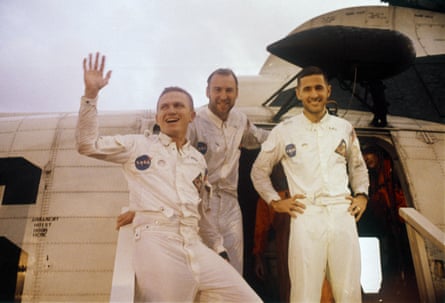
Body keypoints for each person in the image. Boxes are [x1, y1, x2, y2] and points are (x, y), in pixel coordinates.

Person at [76, 52, 262, 302]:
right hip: (157, 240)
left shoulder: (197, 160)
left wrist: (218, 249)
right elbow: (87, 144)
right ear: (157, 117)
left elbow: (202, 212)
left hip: (194, 244)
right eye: (164, 107)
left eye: (178, 106)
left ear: (192, 115)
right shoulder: (137, 146)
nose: (171, 110)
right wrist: (91, 96)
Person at [251, 66, 369, 302]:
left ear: (328, 90)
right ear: (298, 93)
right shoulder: (284, 131)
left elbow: (357, 166)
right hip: (306, 214)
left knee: (349, 291)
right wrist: (275, 202)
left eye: (318, 88)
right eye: (307, 89)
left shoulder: (343, 128)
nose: (314, 94)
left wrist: (362, 195)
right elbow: (258, 171)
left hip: (342, 212)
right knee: (305, 292)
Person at [187, 68, 269, 274]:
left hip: (231, 204)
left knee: (234, 269)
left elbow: (259, 138)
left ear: (236, 93)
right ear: (207, 92)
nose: (223, 96)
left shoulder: (240, 120)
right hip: (201, 203)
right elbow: (170, 160)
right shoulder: (193, 122)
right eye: (217, 90)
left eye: (229, 90)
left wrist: (293, 133)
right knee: (204, 268)